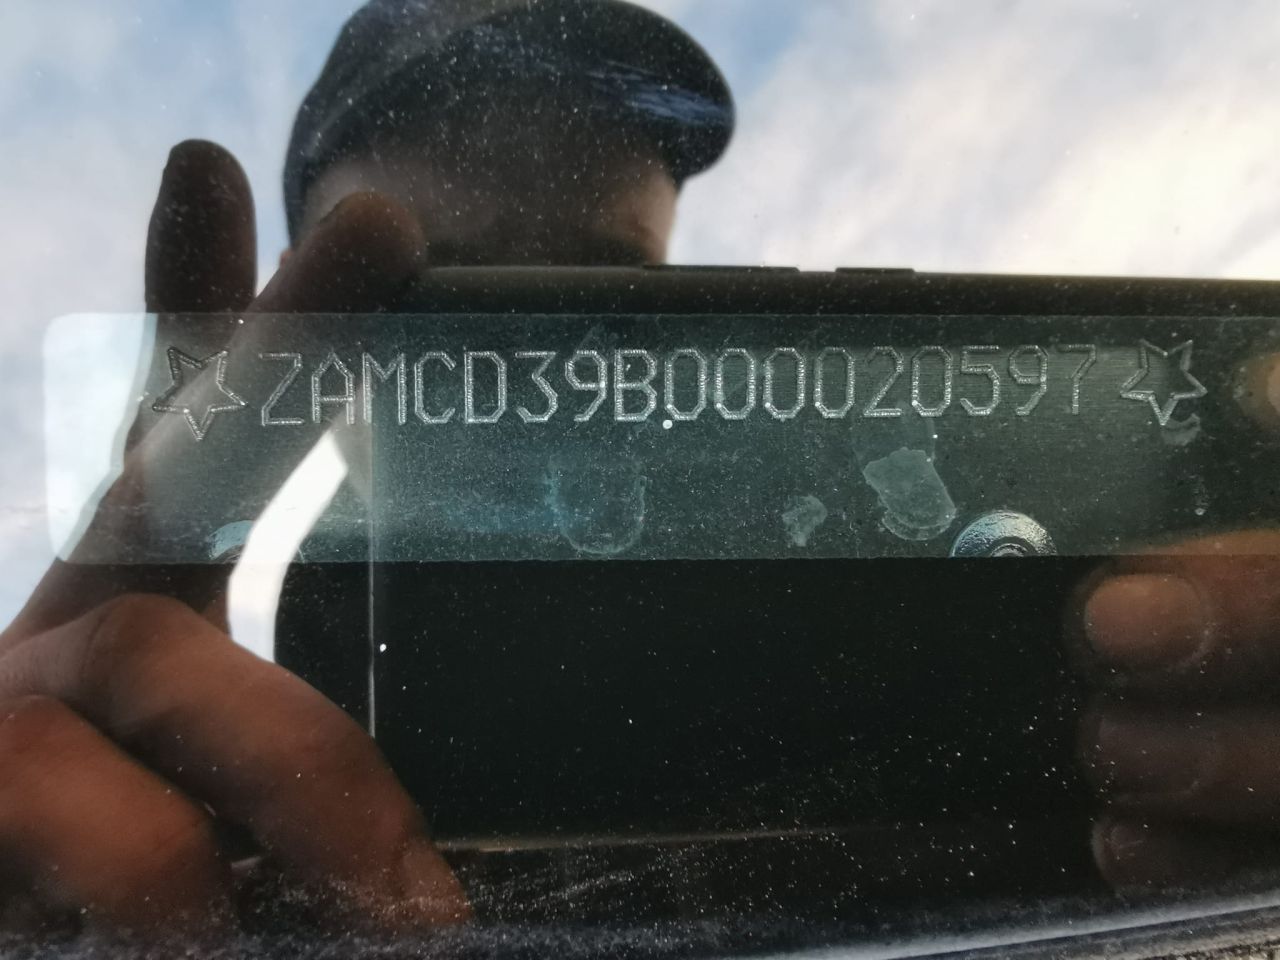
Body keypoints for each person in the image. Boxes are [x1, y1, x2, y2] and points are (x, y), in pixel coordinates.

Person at [2, 0, 1279, 942]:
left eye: (604, 283)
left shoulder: (919, 638)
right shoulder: (208, 771)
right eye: (436, 297)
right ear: (298, 334)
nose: (544, 361)